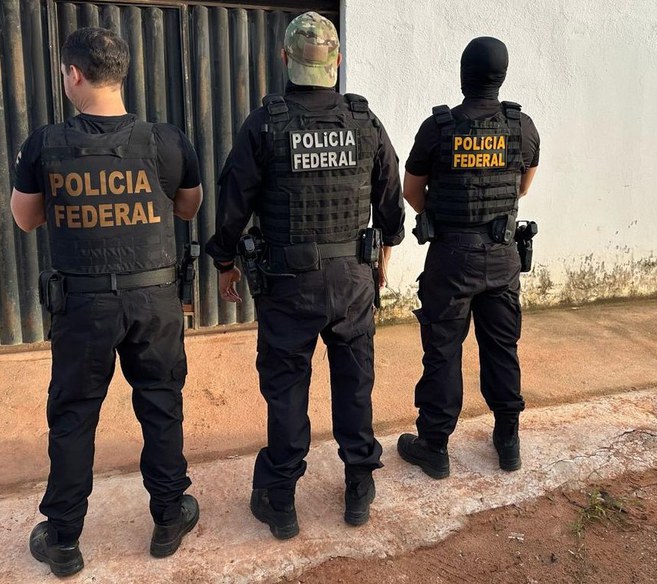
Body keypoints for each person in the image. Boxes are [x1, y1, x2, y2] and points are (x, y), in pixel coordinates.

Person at [10, 27, 203, 577]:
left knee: (74, 417)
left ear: (74, 75)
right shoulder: (167, 140)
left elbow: (25, 218)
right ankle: (169, 518)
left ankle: (63, 539)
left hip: (82, 306)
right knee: (160, 405)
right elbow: (188, 207)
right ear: (121, 74)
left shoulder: (44, 143)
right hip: (154, 303)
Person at [206, 11, 404, 539]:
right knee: (355, 383)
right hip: (352, 281)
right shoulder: (363, 121)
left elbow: (233, 203)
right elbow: (390, 197)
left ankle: (282, 501)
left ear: (285, 59)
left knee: (287, 390)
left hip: (288, 285)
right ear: (335, 62)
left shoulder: (264, 123)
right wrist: (384, 251)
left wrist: (224, 262)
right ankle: (359, 484)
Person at [397, 36, 540, 479]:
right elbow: (523, 187)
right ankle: (508, 440)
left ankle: (435, 447)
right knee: (502, 347)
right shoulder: (521, 127)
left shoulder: (438, 127)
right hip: (502, 255)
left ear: (463, 75)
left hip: (451, 258)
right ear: (502, 77)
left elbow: (411, 191)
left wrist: (445, 215)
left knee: (443, 351)